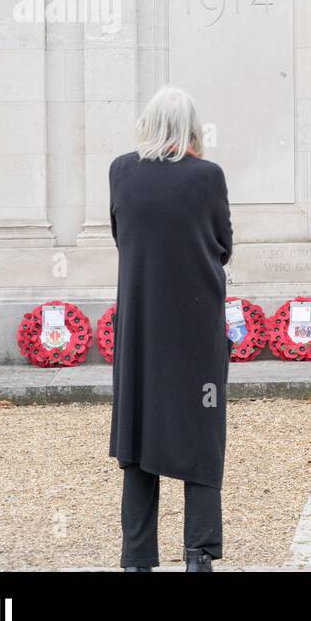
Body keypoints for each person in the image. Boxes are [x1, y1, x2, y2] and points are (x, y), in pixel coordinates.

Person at [109, 85, 233, 572]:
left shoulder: (121, 171)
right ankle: (199, 552)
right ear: (191, 129)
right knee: (201, 431)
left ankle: (138, 556)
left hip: (141, 323)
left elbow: (123, 236)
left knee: (139, 437)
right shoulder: (208, 176)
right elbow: (223, 243)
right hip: (196, 324)